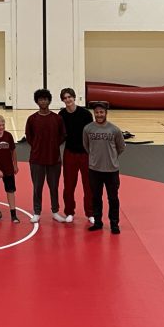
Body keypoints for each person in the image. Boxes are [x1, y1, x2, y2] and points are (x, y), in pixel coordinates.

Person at [82, 101, 126, 234]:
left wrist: (110, 157)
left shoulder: (114, 130)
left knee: (113, 198)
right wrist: (96, 158)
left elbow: (121, 147)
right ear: (93, 113)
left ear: (106, 113)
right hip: (94, 170)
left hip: (111, 170)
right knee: (96, 197)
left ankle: (114, 224)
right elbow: (86, 146)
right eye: (96, 112)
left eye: (101, 112)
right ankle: (98, 222)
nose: (99, 114)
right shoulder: (88, 129)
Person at [25, 88, 66, 223]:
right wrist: (38, 147)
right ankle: (37, 212)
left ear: (49, 101)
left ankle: (55, 211)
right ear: (37, 102)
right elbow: (29, 137)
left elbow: (62, 135)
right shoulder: (32, 119)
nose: (43, 101)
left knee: (54, 187)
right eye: (40, 99)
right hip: (36, 159)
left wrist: (53, 146)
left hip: (54, 159)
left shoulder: (57, 118)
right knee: (37, 187)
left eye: (45, 99)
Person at [59, 87, 95, 224]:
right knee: (68, 185)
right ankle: (69, 212)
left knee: (88, 185)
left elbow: (91, 134)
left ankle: (90, 213)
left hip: (85, 153)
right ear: (63, 100)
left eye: (69, 97)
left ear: (74, 97)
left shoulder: (85, 114)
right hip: (69, 153)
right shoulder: (61, 115)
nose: (68, 100)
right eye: (65, 98)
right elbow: (60, 135)